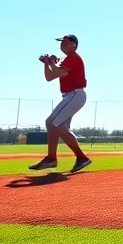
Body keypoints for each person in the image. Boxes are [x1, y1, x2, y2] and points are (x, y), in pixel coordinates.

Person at [29, 35, 92, 173]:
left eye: (65, 41)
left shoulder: (73, 58)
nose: (62, 44)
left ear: (74, 45)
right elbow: (49, 77)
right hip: (71, 96)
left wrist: (51, 62)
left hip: (75, 94)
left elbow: (56, 71)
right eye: (61, 42)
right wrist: (47, 63)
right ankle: (82, 158)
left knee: (51, 122)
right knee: (62, 129)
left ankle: (51, 158)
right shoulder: (66, 60)